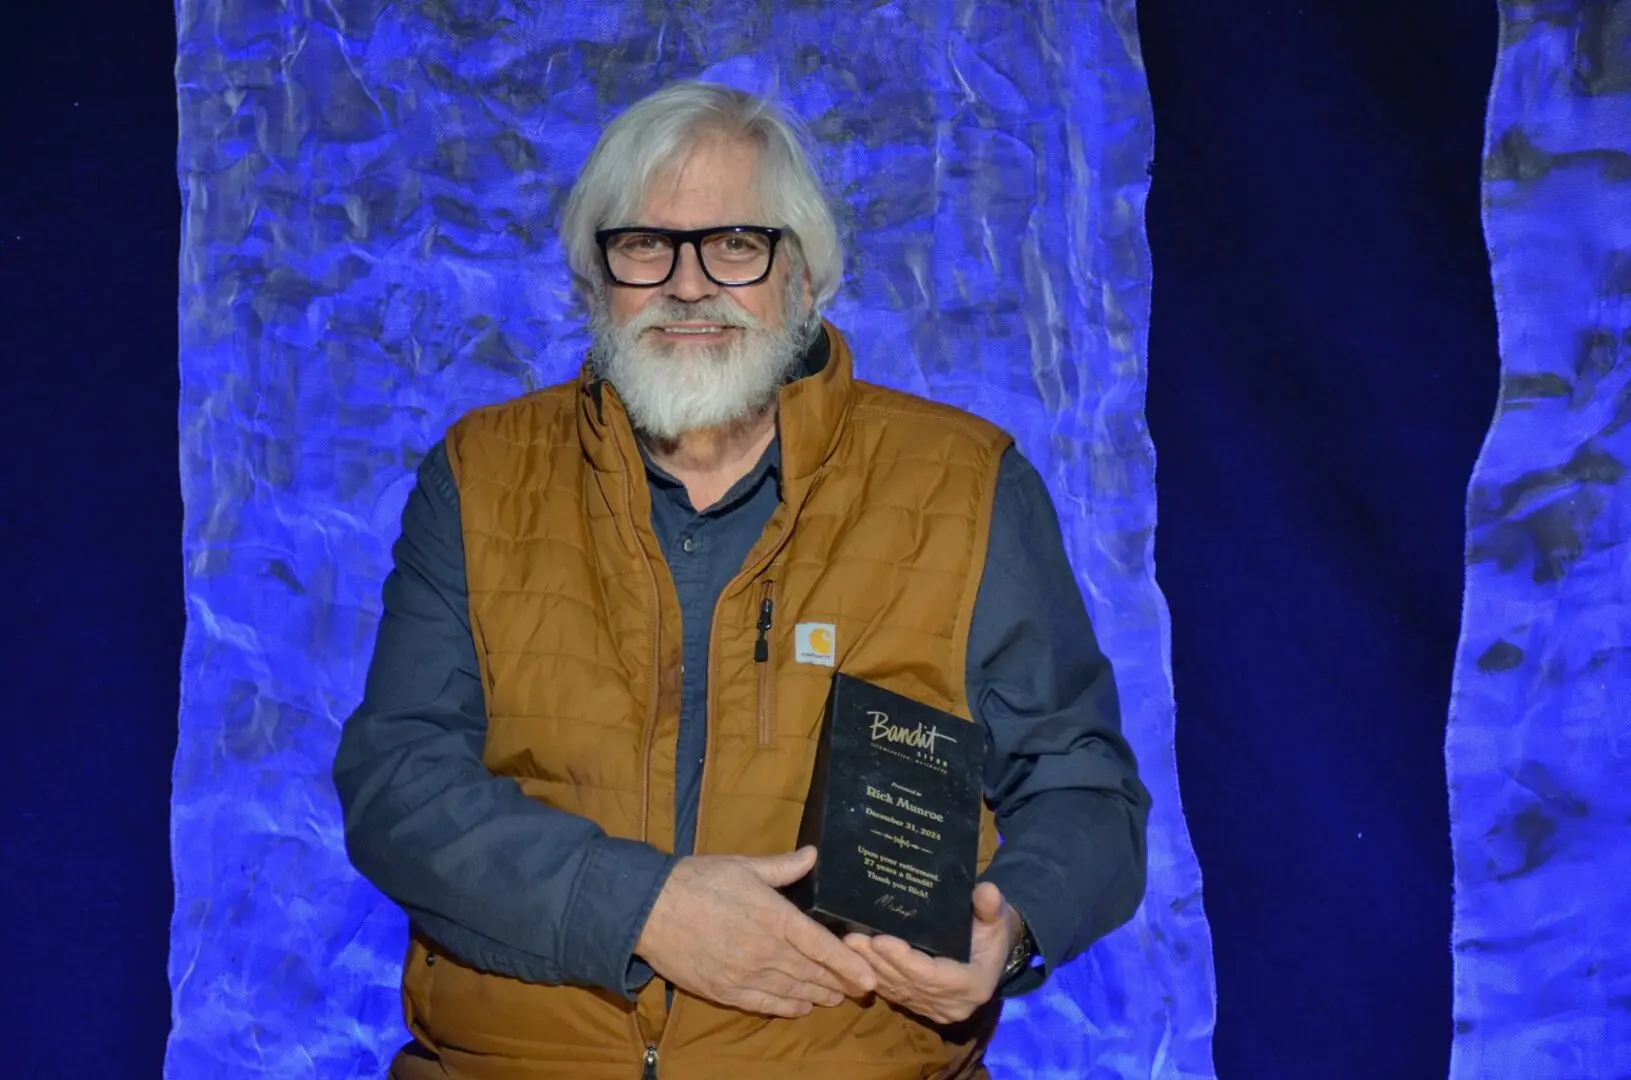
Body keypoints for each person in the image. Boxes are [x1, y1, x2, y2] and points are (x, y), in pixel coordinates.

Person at [333, 80, 1150, 1080]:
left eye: (735, 245)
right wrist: (642, 907)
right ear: (593, 280)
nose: (687, 285)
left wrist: (1009, 922)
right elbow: (396, 782)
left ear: (803, 278)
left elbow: (1081, 785)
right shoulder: (478, 473)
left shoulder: (967, 483)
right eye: (643, 245)